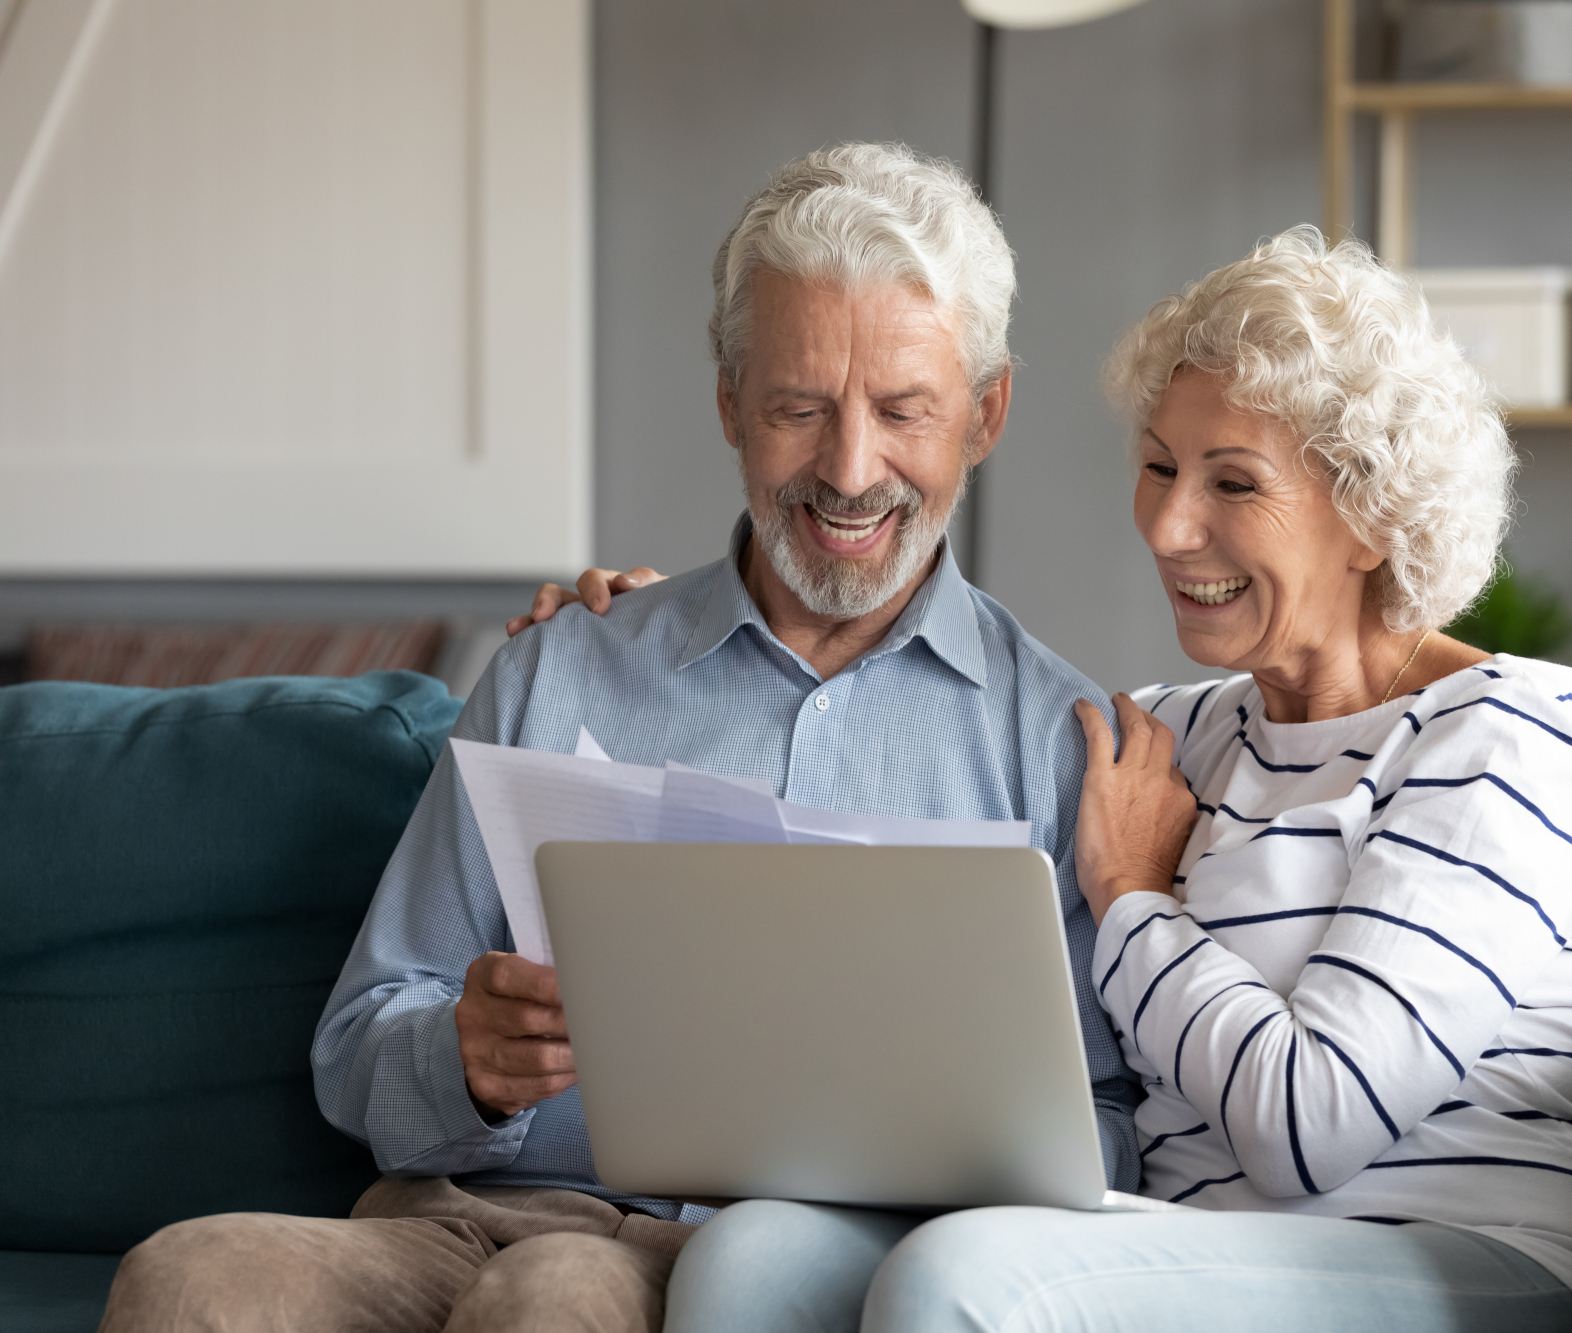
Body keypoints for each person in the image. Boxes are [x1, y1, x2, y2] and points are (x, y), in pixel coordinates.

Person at [94, 142, 1141, 1333]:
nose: (850, 471)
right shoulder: (562, 663)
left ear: (985, 412)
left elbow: (1108, 1127)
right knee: (188, 1276)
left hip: (747, 1266)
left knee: (550, 1299)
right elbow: (360, 1036)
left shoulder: (1054, 742)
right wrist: (465, 1057)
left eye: (903, 410)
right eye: (797, 408)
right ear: (730, 403)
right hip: (458, 1213)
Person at [542, 229, 1572, 1331]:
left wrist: (1132, 901)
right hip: (1172, 1243)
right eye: (1160, 465)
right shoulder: (1171, 738)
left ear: (1370, 514)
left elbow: (1312, 1123)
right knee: (751, 1257)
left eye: (1231, 481)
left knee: (962, 1278)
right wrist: (642, 628)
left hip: (1456, 1260)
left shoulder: (1501, 736)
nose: (1169, 526)